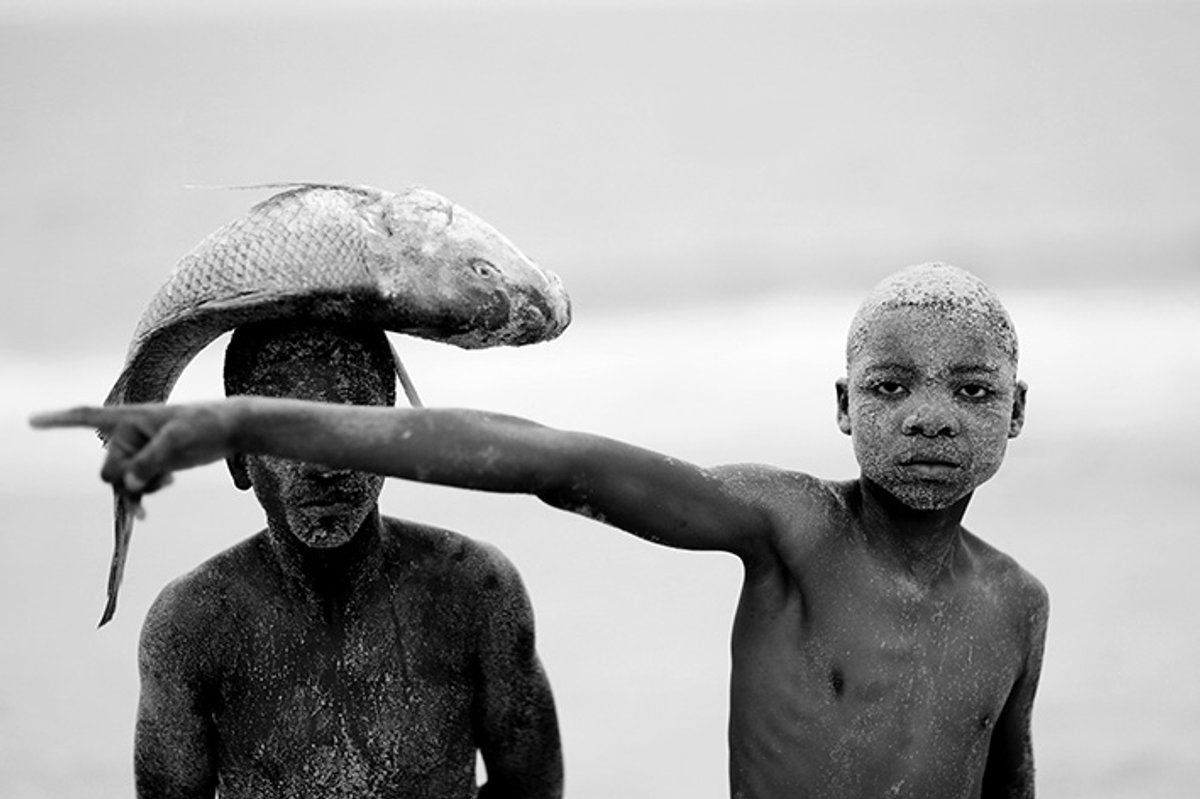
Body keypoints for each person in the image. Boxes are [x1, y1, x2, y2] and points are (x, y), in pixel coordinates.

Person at [35, 262, 1048, 798]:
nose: (928, 417)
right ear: (842, 404)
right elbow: (553, 462)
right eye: (890, 385)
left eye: (971, 389)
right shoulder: (791, 529)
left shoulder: (1016, 605)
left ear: (1015, 410)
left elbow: (1006, 777)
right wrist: (240, 417)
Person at [95, 319, 563, 799]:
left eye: (352, 427)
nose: (325, 465)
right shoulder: (195, 625)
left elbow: (533, 789)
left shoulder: (473, 592)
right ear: (238, 459)